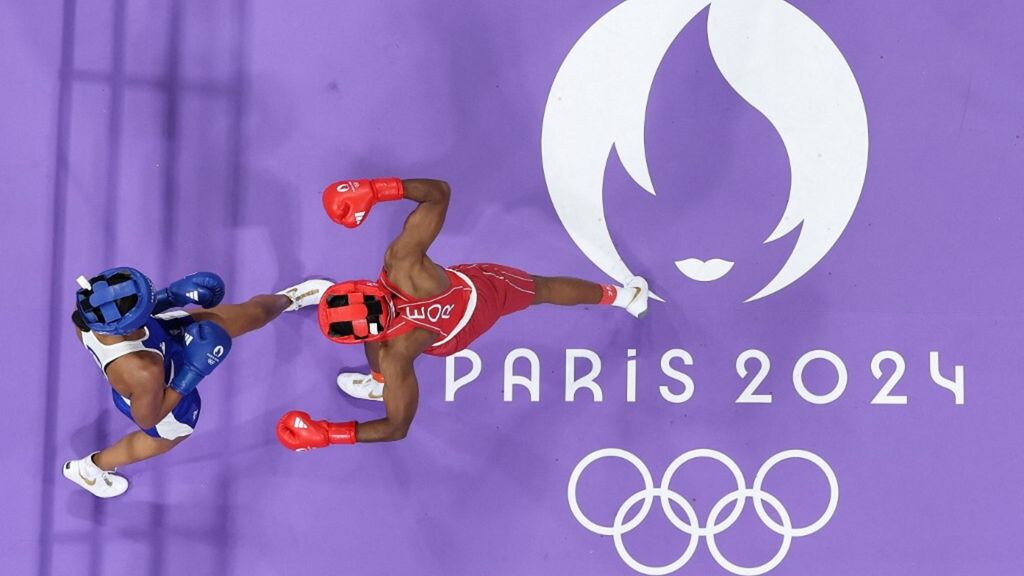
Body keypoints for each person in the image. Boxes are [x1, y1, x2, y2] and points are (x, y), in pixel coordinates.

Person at [275, 178, 649, 450]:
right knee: (543, 288)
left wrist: (329, 434)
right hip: (478, 292)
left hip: (463, 321)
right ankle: (626, 297)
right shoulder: (402, 265)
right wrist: (375, 190)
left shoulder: (394, 355)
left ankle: (377, 384)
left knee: (387, 349)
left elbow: (397, 428)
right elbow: (439, 194)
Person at [63, 267, 331, 497]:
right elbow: (148, 419)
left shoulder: (90, 310)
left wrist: (170, 297)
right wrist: (194, 369)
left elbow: (128, 310)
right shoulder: (142, 371)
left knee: (250, 314)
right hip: (161, 394)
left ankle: (289, 298)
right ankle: (91, 469)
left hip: (159, 335)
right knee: (164, 438)